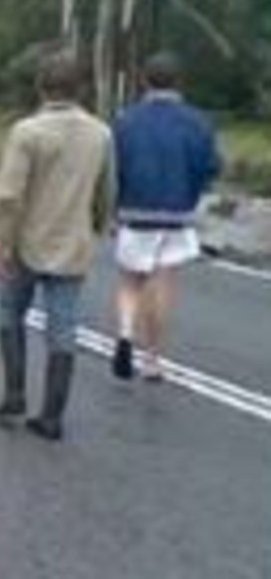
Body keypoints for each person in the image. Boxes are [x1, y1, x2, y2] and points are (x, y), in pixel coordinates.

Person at [0, 50, 116, 442]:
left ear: (40, 86)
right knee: (63, 327)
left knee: (10, 314)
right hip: (72, 242)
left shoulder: (27, 132)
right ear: (80, 89)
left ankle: (14, 395)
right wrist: (96, 224)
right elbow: (106, 190)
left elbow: (9, 196)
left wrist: (0, 245)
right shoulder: (101, 133)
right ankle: (52, 416)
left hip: (28, 241)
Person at [111, 52, 222, 383]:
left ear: (145, 80)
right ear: (179, 83)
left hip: (133, 211)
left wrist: (113, 206)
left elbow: (112, 167)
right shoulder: (198, 122)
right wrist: (193, 191)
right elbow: (211, 167)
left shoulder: (125, 120)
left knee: (131, 280)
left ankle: (125, 333)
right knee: (162, 282)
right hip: (176, 212)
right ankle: (153, 359)